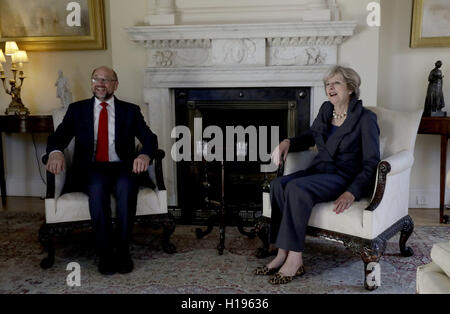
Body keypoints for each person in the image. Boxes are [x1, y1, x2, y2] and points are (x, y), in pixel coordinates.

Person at [254, 65, 380, 285]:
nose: (329, 88)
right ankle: (282, 253)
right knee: (278, 185)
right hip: (320, 171)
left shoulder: (365, 118)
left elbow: (371, 162)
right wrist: (288, 142)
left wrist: (352, 192)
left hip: (343, 177)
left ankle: (295, 259)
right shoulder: (325, 110)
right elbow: (311, 136)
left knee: (296, 188)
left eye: (336, 83)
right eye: (327, 84)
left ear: (350, 87)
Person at [46, 66, 158, 275]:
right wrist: (54, 152)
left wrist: (144, 155)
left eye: (106, 80)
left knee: (127, 185)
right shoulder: (77, 109)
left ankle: (123, 250)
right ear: (91, 83)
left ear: (115, 84)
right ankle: (105, 252)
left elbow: (150, 139)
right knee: (97, 187)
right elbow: (58, 137)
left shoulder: (130, 111)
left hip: (122, 167)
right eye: (97, 79)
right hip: (89, 168)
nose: (101, 83)